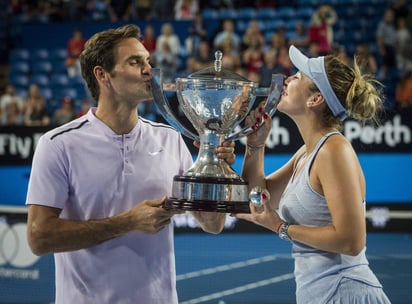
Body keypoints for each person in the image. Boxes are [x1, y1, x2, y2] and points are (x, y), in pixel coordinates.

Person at [25, 24, 234, 304]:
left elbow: (213, 223)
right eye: (135, 62)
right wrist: (127, 222)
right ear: (102, 75)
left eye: (147, 60)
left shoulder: (170, 139)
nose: (148, 69)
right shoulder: (58, 144)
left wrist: (215, 169)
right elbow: (39, 238)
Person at [235, 45, 391, 303]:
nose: (287, 79)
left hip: (346, 291)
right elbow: (256, 198)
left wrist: (280, 227)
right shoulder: (306, 154)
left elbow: (352, 240)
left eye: (297, 76)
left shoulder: (334, 150)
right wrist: (255, 145)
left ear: (315, 99)